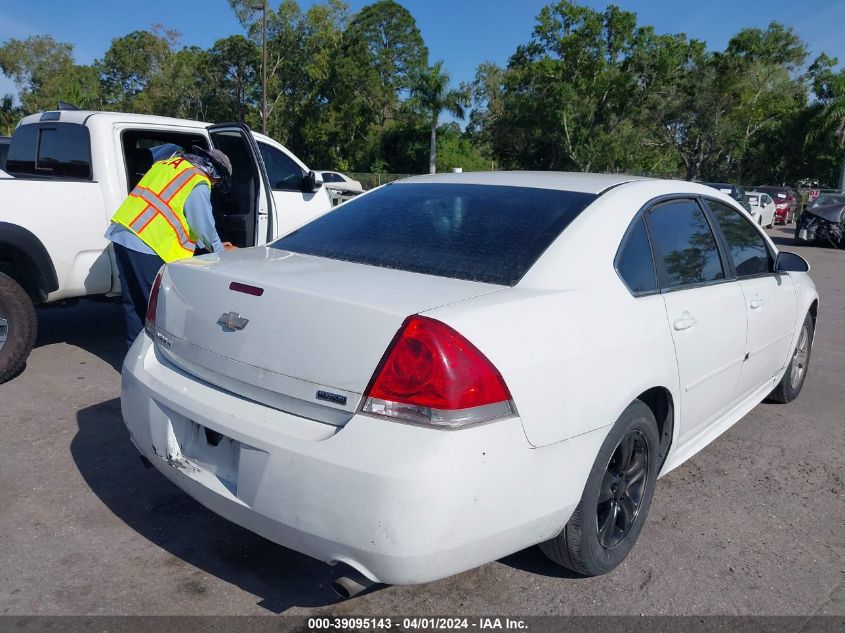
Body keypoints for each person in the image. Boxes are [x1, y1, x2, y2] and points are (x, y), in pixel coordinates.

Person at [105, 146, 237, 349]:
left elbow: (168, 207)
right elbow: (202, 223)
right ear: (214, 171)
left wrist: (203, 245)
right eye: (218, 181)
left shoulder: (167, 165)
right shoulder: (198, 180)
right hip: (148, 245)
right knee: (154, 307)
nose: (215, 184)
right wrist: (219, 251)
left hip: (124, 234)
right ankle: (154, 360)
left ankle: (133, 353)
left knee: (133, 304)